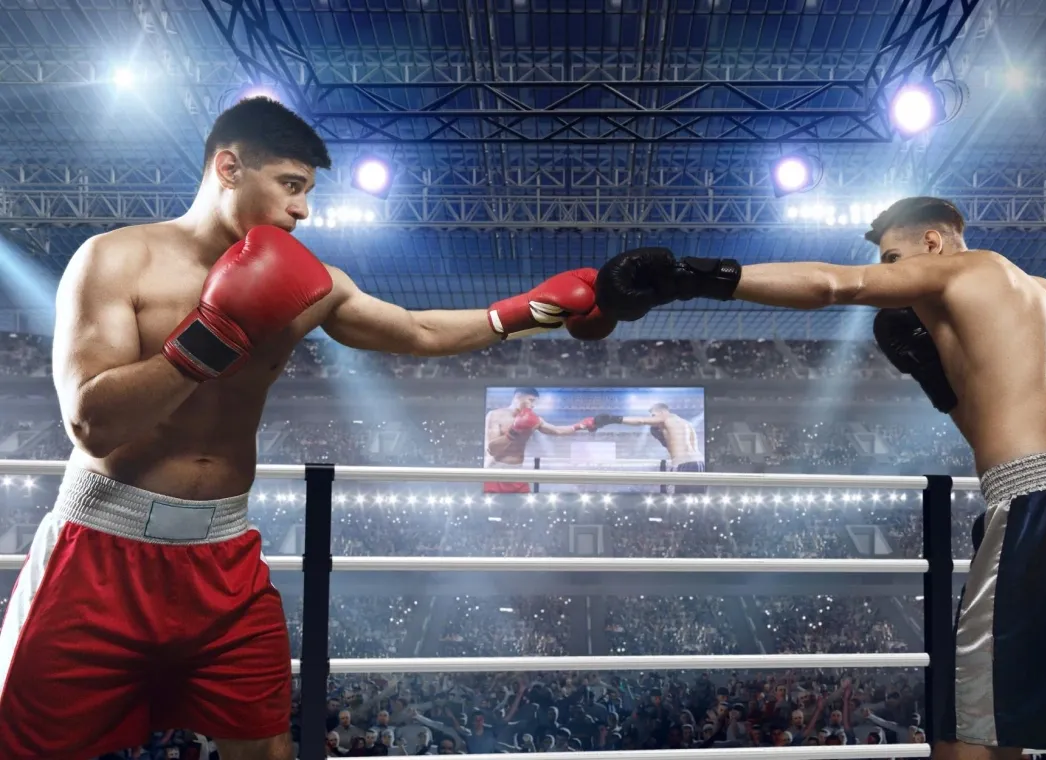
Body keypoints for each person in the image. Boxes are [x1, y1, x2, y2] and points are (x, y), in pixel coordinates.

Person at [0, 96, 615, 760]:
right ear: (229, 167)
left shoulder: (309, 281)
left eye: (307, 192)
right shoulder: (116, 261)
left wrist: (521, 311)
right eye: (291, 186)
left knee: (266, 750)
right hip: (101, 551)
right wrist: (215, 335)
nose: (304, 210)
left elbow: (415, 330)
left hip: (224, 560)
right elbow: (92, 422)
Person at [593, 196, 1046, 760]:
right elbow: (1005, 418)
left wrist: (685, 277)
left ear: (933, 242)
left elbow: (835, 285)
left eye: (895, 258)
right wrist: (940, 385)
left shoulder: (965, 268)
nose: (894, 275)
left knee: (974, 727)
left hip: (1043, 497)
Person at [483, 388, 598, 493]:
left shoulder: (534, 419)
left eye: (535, 402)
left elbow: (557, 431)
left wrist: (580, 426)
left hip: (517, 472)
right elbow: (492, 450)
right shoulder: (495, 415)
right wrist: (514, 431)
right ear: (518, 397)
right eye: (531, 400)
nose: (533, 405)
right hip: (496, 471)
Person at [593, 403, 706, 494]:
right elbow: (678, 445)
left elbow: (641, 421)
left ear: (661, 412)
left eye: (653, 415)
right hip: (699, 464)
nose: (653, 419)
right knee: (695, 501)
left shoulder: (665, 417)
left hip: (683, 464)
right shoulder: (686, 423)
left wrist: (613, 419)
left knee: (677, 500)